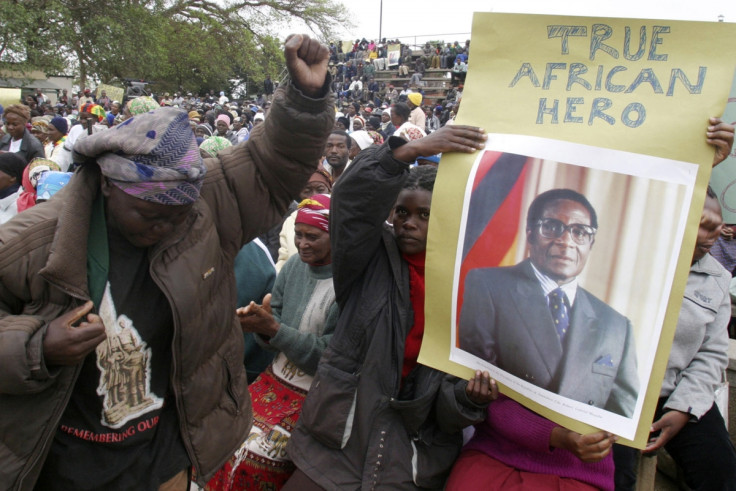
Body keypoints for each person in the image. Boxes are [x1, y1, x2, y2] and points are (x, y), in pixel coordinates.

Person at [0, 33, 334, 490]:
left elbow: (268, 164)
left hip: (166, 458)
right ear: (108, 186)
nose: (168, 227)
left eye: (179, 217)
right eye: (151, 216)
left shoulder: (204, 206)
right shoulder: (30, 244)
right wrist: (38, 347)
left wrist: (306, 98)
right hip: (63, 464)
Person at [285, 125, 495, 490]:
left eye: (424, 215)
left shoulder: (468, 287)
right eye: (401, 212)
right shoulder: (366, 258)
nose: (409, 223)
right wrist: (404, 153)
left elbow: (447, 409)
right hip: (337, 442)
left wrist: (467, 398)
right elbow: (349, 201)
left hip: (410, 459)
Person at [459, 189, 639, 418]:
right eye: (551, 227)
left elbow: (621, 414)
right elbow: (482, 383)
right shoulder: (488, 286)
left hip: (583, 448)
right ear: (531, 233)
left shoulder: (617, 326)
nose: (566, 241)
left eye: (580, 232)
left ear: (591, 243)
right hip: (507, 437)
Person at [206, 194, 339, 490]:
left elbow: (330, 357)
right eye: (299, 235)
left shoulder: (347, 284)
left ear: (336, 236)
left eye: (313, 237)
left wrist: (275, 329)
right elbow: (274, 323)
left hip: (317, 390)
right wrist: (261, 326)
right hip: (275, 377)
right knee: (221, 436)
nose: (302, 243)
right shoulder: (292, 267)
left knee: (256, 455)